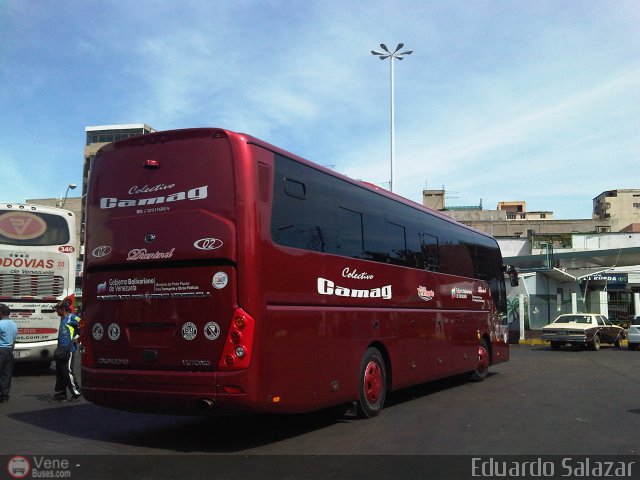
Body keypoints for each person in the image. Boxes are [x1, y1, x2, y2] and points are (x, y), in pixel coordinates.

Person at [50, 300, 82, 402]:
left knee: (67, 372)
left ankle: (76, 393)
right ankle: (61, 394)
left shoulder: (72, 318)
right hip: (61, 350)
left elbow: (84, 324)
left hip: (69, 350)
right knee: (60, 372)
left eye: (57, 309)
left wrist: (78, 337)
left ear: (63, 309)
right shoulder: (63, 319)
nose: (56, 311)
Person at [0, 303, 18, 403]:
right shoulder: (14, 325)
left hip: (1, 350)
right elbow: (14, 339)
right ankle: (5, 396)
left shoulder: (0, 324)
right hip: (9, 350)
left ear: (1, 313)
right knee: (6, 374)